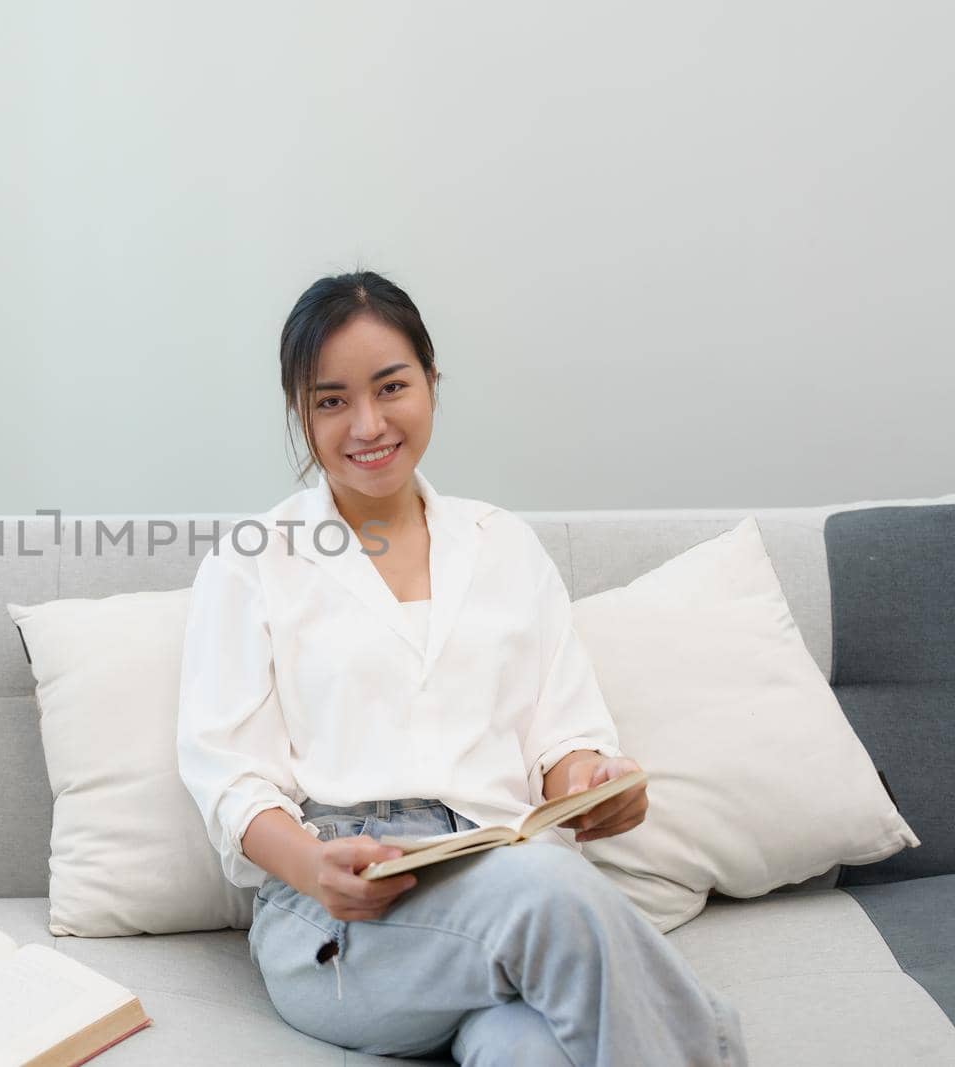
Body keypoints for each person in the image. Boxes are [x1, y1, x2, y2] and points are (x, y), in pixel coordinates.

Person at [174, 271, 747, 1066]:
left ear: (432, 384)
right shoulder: (255, 561)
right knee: (551, 895)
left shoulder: (502, 543)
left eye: (391, 386)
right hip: (342, 920)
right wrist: (312, 865)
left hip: (505, 872)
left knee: (526, 1048)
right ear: (300, 416)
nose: (367, 423)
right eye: (331, 400)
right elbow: (227, 777)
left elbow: (564, 740)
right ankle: (709, 1045)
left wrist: (593, 785)